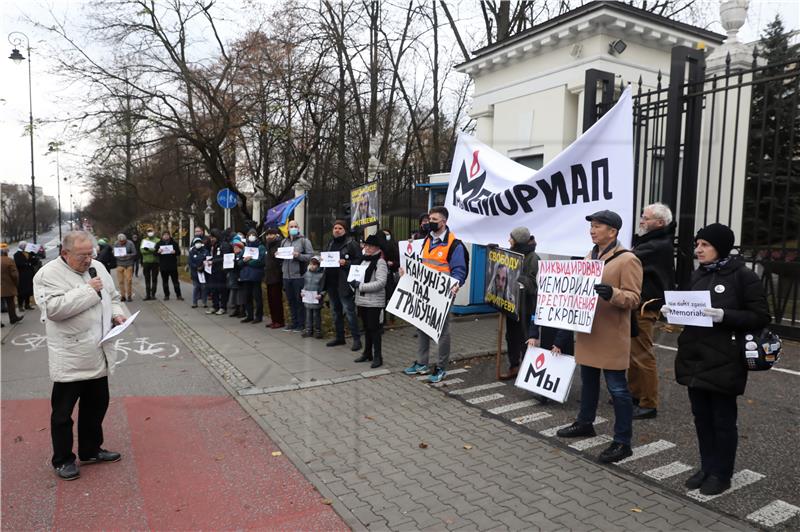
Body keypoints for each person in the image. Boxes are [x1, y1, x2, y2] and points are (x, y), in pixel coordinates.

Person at [663, 223, 769, 496]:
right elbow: (690, 307)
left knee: (722, 419)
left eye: (704, 245)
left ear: (720, 247)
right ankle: (706, 466)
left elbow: (760, 316)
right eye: (697, 244)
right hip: (695, 356)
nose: (698, 249)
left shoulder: (743, 276)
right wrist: (672, 311)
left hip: (725, 358)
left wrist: (725, 315)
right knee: (701, 417)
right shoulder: (698, 275)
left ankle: (722, 473)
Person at [32, 230, 128, 481]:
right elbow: (53, 309)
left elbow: (114, 297)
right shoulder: (47, 274)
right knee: (63, 413)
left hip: (99, 349)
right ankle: (63, 459)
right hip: (71, 354)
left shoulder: (98, 267)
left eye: (91, 253)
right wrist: (88, 290)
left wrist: (117, 313)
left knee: (96, 406)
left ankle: (91, 449)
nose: (88, 260)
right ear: (65, 253)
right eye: (82, 255)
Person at [556, 210, 642, 464]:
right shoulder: (590, 256)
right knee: (589, 381)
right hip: (589, 331)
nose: (592, 230)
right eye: (592, 226)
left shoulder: (627, 260)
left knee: (618, 389)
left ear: (612, 231)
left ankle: (622, 442)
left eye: (597, 226)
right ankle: (585, 422)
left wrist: (612, 293)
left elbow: (634, 298)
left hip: (611, 335)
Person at [402, 206, 468, 383]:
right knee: (422, 326)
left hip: (444, 293)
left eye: (434, 220)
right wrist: (408, 273)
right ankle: (422, 363)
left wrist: (456, 284)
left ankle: (441, 367)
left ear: (444, 222)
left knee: (442, 331)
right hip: (425, 291)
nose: (429, 223)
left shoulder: (455, 244)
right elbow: (422, 263)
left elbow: (459, 270)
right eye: (429, 219)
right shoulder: (427, 240)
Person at [629, 203, 676, 420]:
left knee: (642, 354)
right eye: (642, 216)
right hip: (639, 303)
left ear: (659, 223)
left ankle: (648, 403)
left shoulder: (656, 245)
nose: (641, 220)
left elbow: (629, 259)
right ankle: (635, 393)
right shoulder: (651, 241)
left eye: (646, 218)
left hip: (645, 305)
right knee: (633, 353)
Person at [499, 227, 539, 380]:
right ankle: (514, 366)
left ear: (518, 240)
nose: (509, 241)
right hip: (512, 304)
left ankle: (526, 369)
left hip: (526, 307)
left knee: (524, 338)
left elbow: (533, 284)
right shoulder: (513, 253)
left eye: (511, 238)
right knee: (511, 337)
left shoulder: (533, 258)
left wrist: (518, 277)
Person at [322, 220, 362, 351]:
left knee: (350, 312)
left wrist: (347, 262)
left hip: (344, 283)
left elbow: (359, 260)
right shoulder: (330, 242)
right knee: (335, 312)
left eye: (340, 228)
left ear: (344, 230)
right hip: (331, 283)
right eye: (335, 228)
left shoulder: (351, 244)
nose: (337, 230)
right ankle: (340, 337)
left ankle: (357, 340)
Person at [353, 235, 388, 368]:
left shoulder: (380, 262)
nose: (366, 248)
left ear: (377, 248)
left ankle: (378, 357)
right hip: (362, 301)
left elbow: (381, 283)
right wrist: (353, 283)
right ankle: (367, 353)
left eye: (369, 246)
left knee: (375, 330)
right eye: (365, 245)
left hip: (374, 302)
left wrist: (360, 286)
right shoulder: (364, 260)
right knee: (367, 329)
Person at [281, 220, 314, 332]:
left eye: (295, 226)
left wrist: (298, 255)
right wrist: (278, 255)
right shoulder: (284, 241)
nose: (293, 228)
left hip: (299, 276)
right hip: (286, 276)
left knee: (299, 301)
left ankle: (301, 324)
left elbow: (310, 256)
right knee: (290, 301)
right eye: (291, 226)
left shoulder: (304, 241)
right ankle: (294, 322)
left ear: (298, 228)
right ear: (288, 229)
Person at [239, 229, 266, 323]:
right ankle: (249, 315)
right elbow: (239, 262)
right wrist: (244, 261)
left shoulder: (261, 247)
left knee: (257, 297)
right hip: (245, 276)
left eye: (253, 235)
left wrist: (248, 262)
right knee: (247, 297)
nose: (251, 236)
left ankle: (259, 316)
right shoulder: (245, 248)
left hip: (256, 276)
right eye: (249, 235)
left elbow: (261, 261)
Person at [206, 229, 232, 315]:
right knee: (214, 289)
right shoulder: (215, 245)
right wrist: (209, 260)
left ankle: (223, 307)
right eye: (211, 238)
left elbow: (226, 257)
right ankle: (215, 306)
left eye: (213, 237)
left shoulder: (224, 245)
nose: (211, 239)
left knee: (222, 290)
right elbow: (215, 256)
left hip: (222, 271)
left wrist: (213, 261)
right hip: (214, 270)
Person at [263, 227, 285, 329]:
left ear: (276, 235)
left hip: (276, 276)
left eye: (271, 234)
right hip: (269, 275)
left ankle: (279, 321)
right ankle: (274, 320)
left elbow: (279, 259)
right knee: (271, 300)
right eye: (267, 235)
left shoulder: (279, 243)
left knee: (276, 300)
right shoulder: (268, 245)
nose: (269, 236)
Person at [301, 256, 325, 338]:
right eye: (311, 264)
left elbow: (324, 287)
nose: (312, 266)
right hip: (308, 298)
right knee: (308, 315)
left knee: (316, 315)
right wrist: (303, 292)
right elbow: (305, 284)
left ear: (318, 265)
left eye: (314, 264)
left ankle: (318, 331)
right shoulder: (307, 273)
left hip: (316, 298)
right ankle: (308, 330)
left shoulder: (322, 275)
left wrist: (321, 294)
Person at [155, 231, 182, 301]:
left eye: (167, 235)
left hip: (172, 265)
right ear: (162, 236)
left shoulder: (174, 243)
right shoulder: (159, 243)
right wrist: (158, 252)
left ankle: (178, 295)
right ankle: (166, 295)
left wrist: (175, 252)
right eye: (164, 235)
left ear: (169, 236)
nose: (166, 236)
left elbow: (179, 252)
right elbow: (155, 253)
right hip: (163, 266)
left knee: (175, 281)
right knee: (165, 282)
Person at [13, 241, 40, 311]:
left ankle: (27, 304)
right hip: (22, 275)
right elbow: (18, 264)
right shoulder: (17, 254)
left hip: (29, 274)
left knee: (28, 290)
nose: (26, 247)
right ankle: (20, 305)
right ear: (21, 246)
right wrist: (27, 264)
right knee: (21, 292)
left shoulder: (29, 253)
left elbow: (34, 262)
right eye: (25, 246)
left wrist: (34, 256)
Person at [1, 244, 23, 324]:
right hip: (8, 286)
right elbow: (15, 275)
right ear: (6, 252)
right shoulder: (9, 260)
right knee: (10, 303)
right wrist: (16, 283)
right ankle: (13, 318)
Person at [114, 233, 137, 302]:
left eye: (123, 241)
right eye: (120, 241)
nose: (121, 242)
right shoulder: (116, 244)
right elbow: (114, 253)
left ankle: (129, 295)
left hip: (128, 264)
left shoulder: (130, 243)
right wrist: (117, 254)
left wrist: (127, 255)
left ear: (125, 240)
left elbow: (134, 253)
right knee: (120, 281)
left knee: (129, 280)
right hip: (119, 264)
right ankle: (123, 295)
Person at [188, 236, 209, 308]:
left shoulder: (205, 251)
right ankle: (194, 302)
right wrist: (196, 267)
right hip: (195, 272)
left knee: (204, 287)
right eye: (196, 243)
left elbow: (208, 259)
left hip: (203, 272)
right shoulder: (191, 252)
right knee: (196, 287)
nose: (198, 244)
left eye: (199, 242)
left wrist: (202, 266)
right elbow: (190, 262)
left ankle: (204, 302)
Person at [227, 238, 246, 318]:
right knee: (235, 295)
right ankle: (236, 309)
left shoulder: (241, 255)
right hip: (233, 277)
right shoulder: (233, 255)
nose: (235, 249)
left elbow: (240, 265)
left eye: (237, 247)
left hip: (239, 277)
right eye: (234, 248)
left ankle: (242, 311)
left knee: (240, 295)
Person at [140, 228, 160, 300]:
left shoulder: (158, 240)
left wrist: (148, 249)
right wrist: (152, 250)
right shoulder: (144, 240)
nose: (150, 232)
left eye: (151, 231)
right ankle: (147, 295)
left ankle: (153, 294)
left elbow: (157, 250)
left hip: (155, 262)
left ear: (154, 232)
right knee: (147, 279)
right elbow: (142, 251)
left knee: (154, 279)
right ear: (147, 233)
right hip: (146, 262)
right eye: (148, 231)